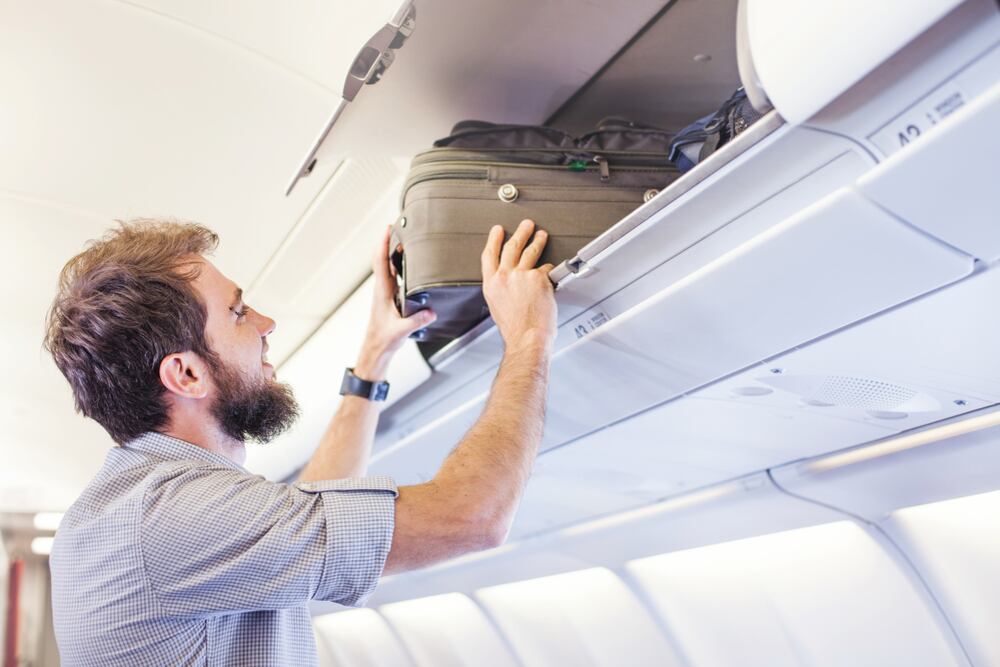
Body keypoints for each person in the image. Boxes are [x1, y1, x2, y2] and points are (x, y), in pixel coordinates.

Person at [44, 217, 556, 666]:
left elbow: (314, 505)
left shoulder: (141, 504)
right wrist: (529, 336)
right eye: (238, 313)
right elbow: (472, 516)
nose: (267, 324)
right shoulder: (171, 515)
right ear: (186, 374)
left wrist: (375, 356)